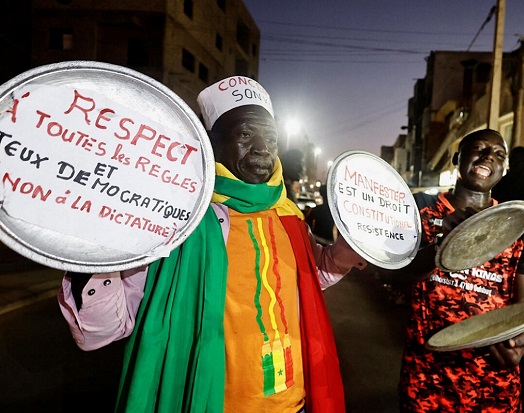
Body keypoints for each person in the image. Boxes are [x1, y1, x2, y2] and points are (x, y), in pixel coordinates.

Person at [57, 76, 366, 413]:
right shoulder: (175, 221)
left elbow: (305, 280)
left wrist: (340, 257)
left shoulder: (287, 215)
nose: (263, 148)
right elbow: (99, 332)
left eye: (271, 138)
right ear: (210, 142)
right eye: (246, 134)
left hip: (295, 405)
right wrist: (95, 256)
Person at [393, 129, 524, 412]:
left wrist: (520, 341)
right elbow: (394, 275)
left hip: (491, 388)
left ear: (504, 169)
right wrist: (443, 245)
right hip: (424, 380)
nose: (488, 156)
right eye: (478, 148)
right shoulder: (419, 211)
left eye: (499, 154)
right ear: (457, 157)